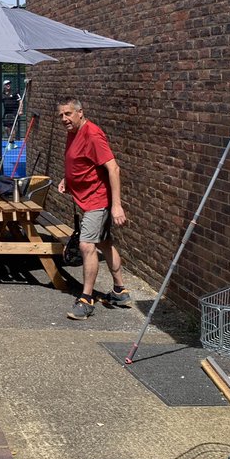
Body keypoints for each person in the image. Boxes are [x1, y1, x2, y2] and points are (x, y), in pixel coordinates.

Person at [56, 97, 134, 319]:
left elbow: (114, 169)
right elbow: (78, 162)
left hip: (97, 201)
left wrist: (117, 206)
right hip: (86, 199)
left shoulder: (92, 134)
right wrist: (67, 179)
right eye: (61, 115)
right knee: (104, 242)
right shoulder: (72, 133)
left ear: (80, 112)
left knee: (86, 245)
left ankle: (86, 299)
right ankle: (120, 291)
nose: (64, 119)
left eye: (68, 114)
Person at [1, 80, 22, 148]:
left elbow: (20, 101)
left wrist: (20, 110)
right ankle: (11, 142)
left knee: (12, 128)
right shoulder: (2, 94)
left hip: (14, 112)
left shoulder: (15, 92)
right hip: (6, 113)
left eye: (9, 83)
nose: (8, 85)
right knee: (7, 128)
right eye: (6, 84)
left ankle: (11, 143)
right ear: (4, 85)